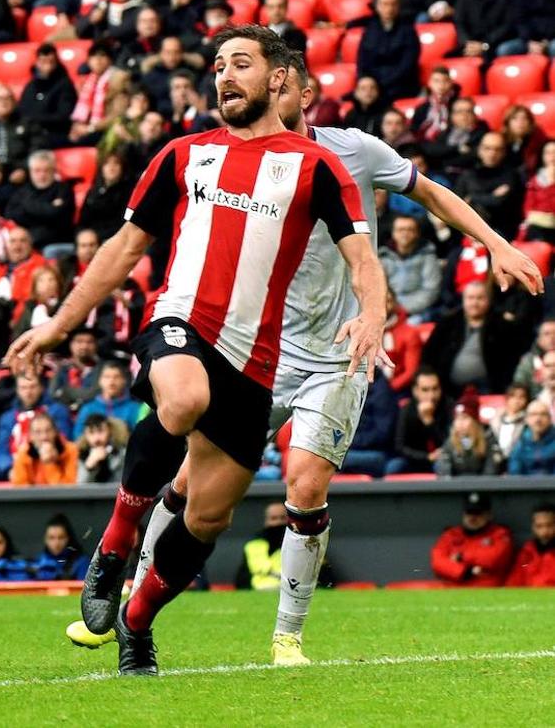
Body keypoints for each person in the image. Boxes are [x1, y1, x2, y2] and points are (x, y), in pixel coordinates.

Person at [108, 48, 538, 665]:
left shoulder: (353, 151)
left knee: (304, 486)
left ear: (300, 94)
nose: (261, 95)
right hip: (258, 350)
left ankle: (287, 637)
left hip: (337, 351)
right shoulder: (231, 157)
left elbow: (432, 194)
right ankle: (128, 605)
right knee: (186, 481)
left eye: (276, 84)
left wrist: (495, 242)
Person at [7, 26, 387, 677]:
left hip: (257, 361)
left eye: (240, 63)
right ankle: (116, 544)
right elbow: (122, 252)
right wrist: (57, 326)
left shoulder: (316, 166)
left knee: (207, 519)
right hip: (182, 322)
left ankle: (135, 623)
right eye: (217, 65)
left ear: (276, 78)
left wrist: (374, 314)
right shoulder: (184, 155)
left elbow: (362, 259)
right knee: (181, 400)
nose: (224, 75)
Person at [430, 492, 514, 587]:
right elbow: (438, 562)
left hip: (485, 589)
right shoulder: (451, 534)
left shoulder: (500, 534)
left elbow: (491, 559)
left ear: (489, 515)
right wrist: (465, 571)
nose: (472, 517)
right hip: (453, 588)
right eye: (469, 512)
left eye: (478, 513)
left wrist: (460, 557)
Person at [9, 412, 78, 485]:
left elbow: (69, 488)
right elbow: (20, 487)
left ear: (55, 432)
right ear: (30, 436)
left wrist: (50, 463)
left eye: (48, 430)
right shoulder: (23, 453)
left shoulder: (70, 450)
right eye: (38, 432)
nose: (44, 437)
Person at [506, 503, 555, 587]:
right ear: (533, 527)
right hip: (530, 598)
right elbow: (514, 582)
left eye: (549, 525)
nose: (545, 531)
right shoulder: (528, 551)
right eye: (539, 526)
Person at [508, 399, 555, 476]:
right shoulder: (521, 443)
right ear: (527, 419)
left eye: (543, 414)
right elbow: (514, 474)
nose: (538, 419)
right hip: (525, 486)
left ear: (550, 419)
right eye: (533, 414)